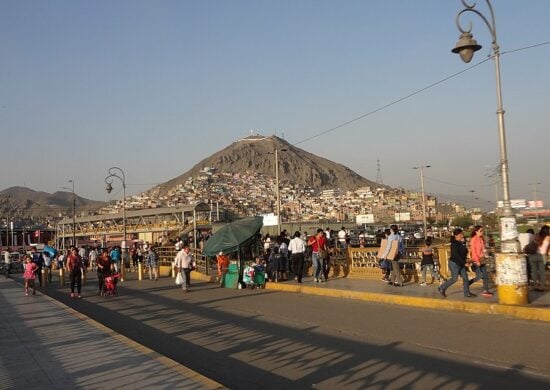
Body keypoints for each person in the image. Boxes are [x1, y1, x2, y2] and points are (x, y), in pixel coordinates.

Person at [438, 228, 476, 298]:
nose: (462, 236)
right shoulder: (454, 244)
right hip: (454, 264)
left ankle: (467, 293)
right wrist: (464, 263)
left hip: (461, 263)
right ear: (456, 235)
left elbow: (462, 254)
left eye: (462, 234)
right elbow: (456, 255)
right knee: (454, 279)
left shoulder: (461, 243)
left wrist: (466, 260)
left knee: (465, 278)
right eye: (460, 234)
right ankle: (442, 287)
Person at [468, 225, 493, 297]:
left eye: (482, 231)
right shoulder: (473, 239)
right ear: (476, 231)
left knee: (485, 275)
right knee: (479, 276)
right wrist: (477, 260)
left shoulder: (481, 239)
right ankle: (467, 283)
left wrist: (486, 255)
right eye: (480, 231)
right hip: (477, 259)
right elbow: (473, 251)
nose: (482, 232)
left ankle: (486, 290)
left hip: (482, 258)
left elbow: (483, 249)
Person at [531, 225, 549, 292]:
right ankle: (541, 287)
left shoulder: (536, 235)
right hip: (542, 256)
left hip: (533, 255)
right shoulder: (548, 237)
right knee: (542, 272)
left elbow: (531, 242)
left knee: (534, 272)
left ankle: (535, 286)